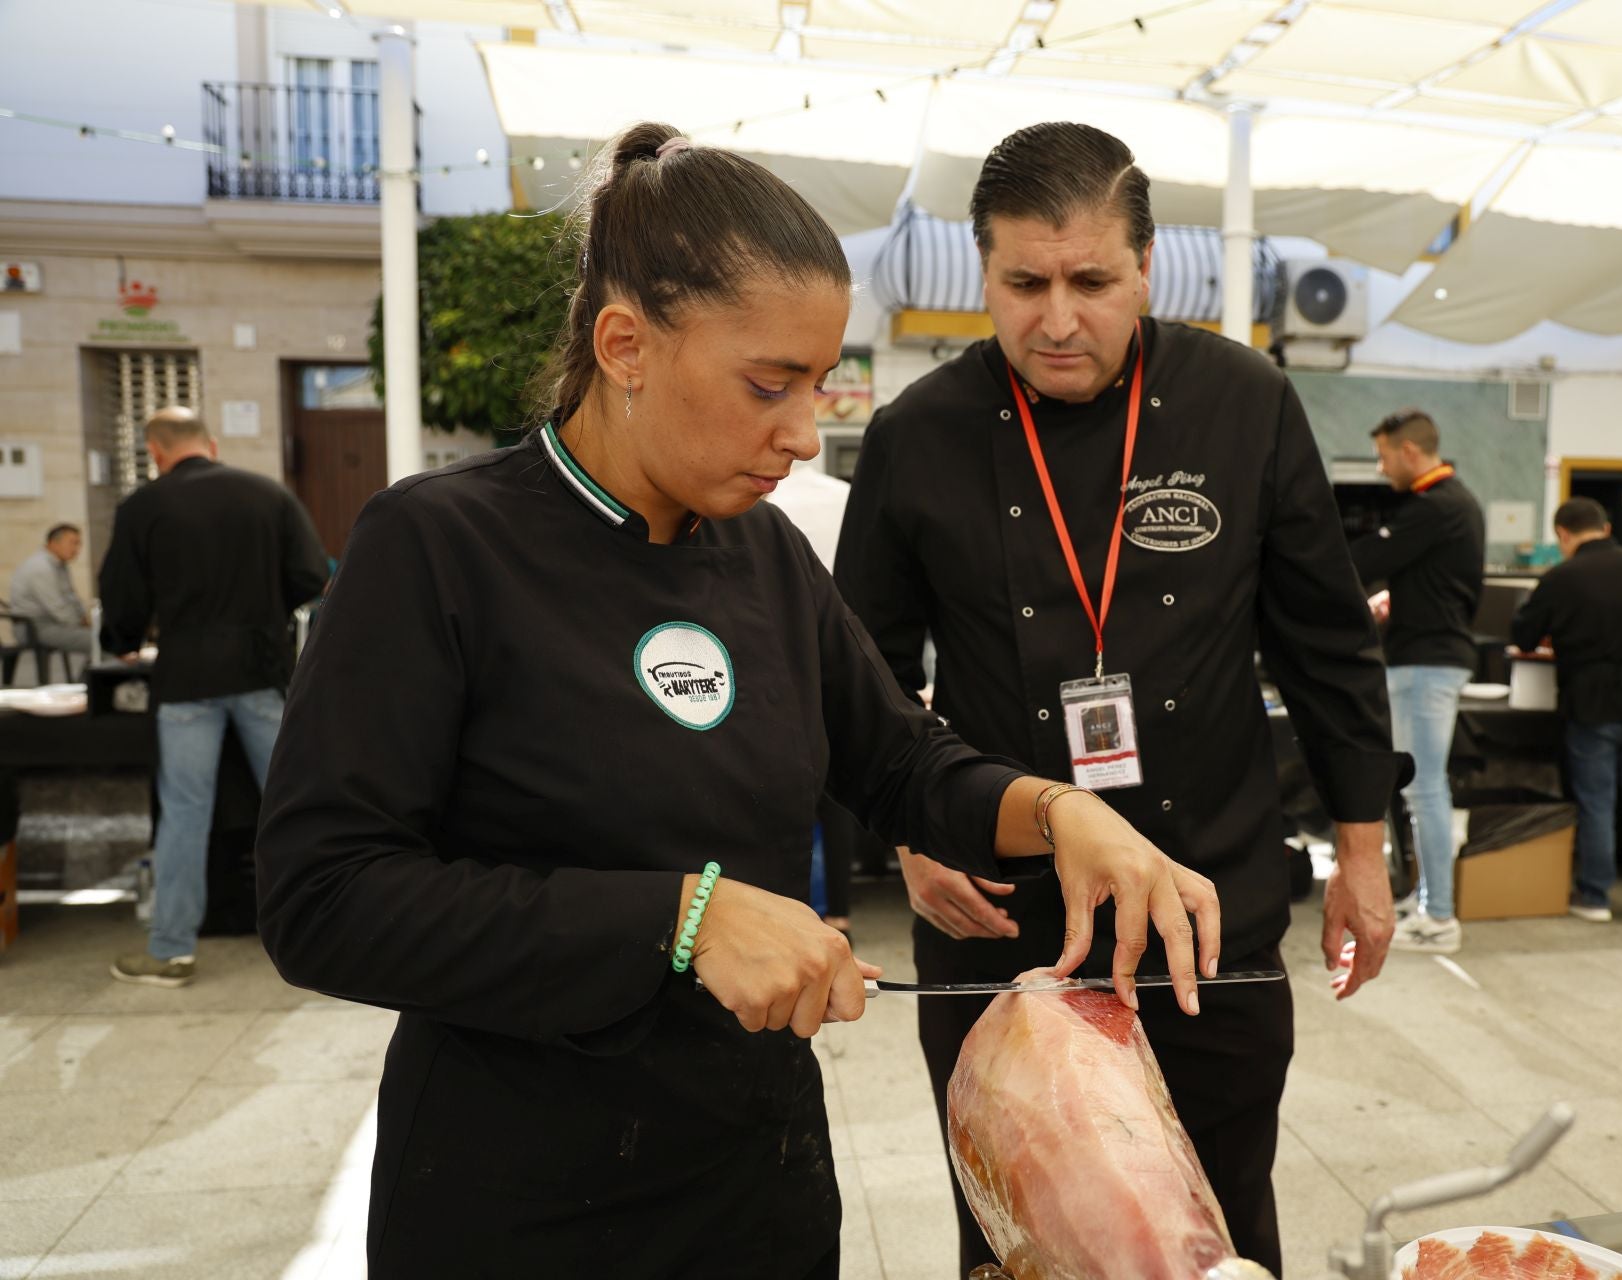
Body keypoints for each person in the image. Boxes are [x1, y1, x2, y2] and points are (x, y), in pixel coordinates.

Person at [252, 123, 1219, 1280]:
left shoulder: (760, 553)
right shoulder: (439, 545)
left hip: (756, 1188)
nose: (803, 436)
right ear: (626, 345)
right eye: (768, 385)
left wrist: (1061, 813)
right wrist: (682, 916)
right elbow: (322, 897)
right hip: (522, 1200)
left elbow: (901, 761)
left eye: (816, 385)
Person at [834, 122, 1403, 1279]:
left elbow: (1328, 646)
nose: (1056, 318)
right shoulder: (918, 433)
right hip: (1000, 920)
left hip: (1211, 910)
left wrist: (1364, 850)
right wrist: (906, 840)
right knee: (1016, 1244)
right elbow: (864, 674)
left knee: (1218, 1229)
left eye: (1091, 281)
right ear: (981, 272)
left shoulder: (1244, 401)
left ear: (1147, 266)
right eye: (1023, 282)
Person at [97, 408, 328, 987]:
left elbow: (121, 596)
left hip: (185, 679)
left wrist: (123, 640)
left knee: (184, 814)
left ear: (155, 451)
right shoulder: (267, 494)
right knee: (298, 802)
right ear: (212, 443)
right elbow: (310, 577)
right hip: (260, 667)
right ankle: (333, 935)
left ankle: (172, 950)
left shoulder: (142, 507)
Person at [1348, 408, 1484, 956]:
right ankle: (1424, 898)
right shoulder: (1450, 505)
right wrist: (1396, 599)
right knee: (1416, 788)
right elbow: (1433, 577)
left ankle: (1440, 916)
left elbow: (1368, 556)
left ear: (1409, 451)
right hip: (1423, 654)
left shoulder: (1436, 505)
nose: (1382, 469)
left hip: (1427, 661)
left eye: (1383, 457)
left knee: (1426, 789)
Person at [1510, 498, 1622, 922]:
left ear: (1563, 534)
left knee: (1596, 800)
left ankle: (1595, 896)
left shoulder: (1562, 576)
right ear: (1603, 528)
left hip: (1592, 699)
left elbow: (1524, 635)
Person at [765, 464, 866, 940]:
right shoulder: (841, 497)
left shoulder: (765, 504)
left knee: (791, 784)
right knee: (835, 794)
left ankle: (791, 909)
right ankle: (839, 912)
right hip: (840, 642)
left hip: (782, 650)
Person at [7, 522, 91, 678]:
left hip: (53, 623)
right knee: (96, 641)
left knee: (100, 638)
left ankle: (86, 682)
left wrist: (84, 618)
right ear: (54, 543)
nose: (76, 549)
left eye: (79, 544)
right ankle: (89, 687)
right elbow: (58, 608)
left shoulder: (59, 565)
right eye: (72, 543)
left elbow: (71, 597)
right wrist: (81, 625)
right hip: (35, 627)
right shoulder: (41, 567)